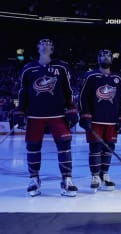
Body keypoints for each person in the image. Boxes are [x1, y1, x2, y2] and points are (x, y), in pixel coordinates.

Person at [13, 38, 79, 197]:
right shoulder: (28, 68)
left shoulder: (62, 67)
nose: (45, 45)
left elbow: (68, 90)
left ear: (53, 48)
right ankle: (34, 179)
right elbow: (23, 91)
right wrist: (19, 111)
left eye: (49, 44)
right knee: (33, 147)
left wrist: (71, 108)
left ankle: (67, 180)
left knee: (64, 145)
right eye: (42, 43)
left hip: (58, 114)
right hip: (35, 115)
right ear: (37, 47)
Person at [78, 49, 121, 192]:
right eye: (101, 55)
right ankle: (95, 176)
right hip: (95, 121)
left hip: (112, 121)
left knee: (109, 149)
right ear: (97, 59)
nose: (105, 57)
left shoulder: (118, 78)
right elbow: (83, 97)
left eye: (108, 55)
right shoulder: (90, 76)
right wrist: (85, 114)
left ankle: (104, 174)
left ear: (112, 59)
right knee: (95, 148)